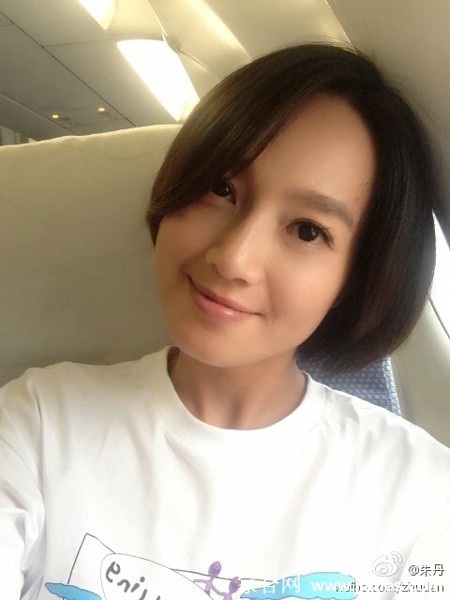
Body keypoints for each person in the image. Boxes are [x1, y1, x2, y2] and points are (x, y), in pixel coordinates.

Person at [1, 44, 449, 600]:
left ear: (354, 279)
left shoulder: (424, 496)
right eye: (222, 189)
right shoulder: (39, 423)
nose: (234, 259)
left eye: (307, 230)